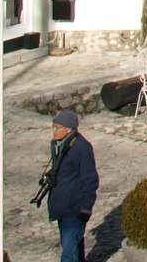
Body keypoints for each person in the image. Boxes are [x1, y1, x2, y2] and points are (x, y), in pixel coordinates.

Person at [44, 109, 98, 262]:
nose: (54, 130)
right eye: (53, 126)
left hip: (74, 207)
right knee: (75, 246)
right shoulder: (60, 144)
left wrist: (86, 207)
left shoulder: (82, 148)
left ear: (69, 129)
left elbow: (90, 179)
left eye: (57, 127)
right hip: (62, 204)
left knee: (68, 252)